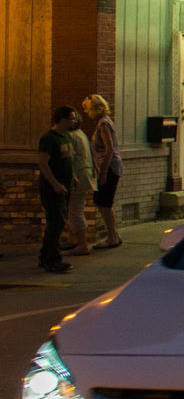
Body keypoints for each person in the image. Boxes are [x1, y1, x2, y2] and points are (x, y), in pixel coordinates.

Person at [36, 106, 80, 273]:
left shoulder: (66, 137)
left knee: (58, 222)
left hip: (65, 186)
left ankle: (45, 255)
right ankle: (52, 259)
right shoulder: (49, 138)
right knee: (56, 223)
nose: (74, 121)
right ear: (62, 120)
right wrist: (54, 183)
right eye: (72, 118)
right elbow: (43, 163)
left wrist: (73, 177)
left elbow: (68, 160)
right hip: (53, 188)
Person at [83, 94, 125, 248]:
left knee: (104, 203)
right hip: (111, 166)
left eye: (87, 109)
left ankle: (112, 237)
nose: (86, 113)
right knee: (104, 203)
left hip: (109, 167)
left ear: (95, 109)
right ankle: (114, 234)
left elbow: (109, 150)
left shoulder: (103, 124)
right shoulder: (105, 122)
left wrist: (103, 173)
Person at [63, 111, 95, 256]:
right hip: (85, 175)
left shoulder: (70, 136)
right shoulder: (81, 134)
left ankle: (82, 244)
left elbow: (69, 159)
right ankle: (74, 239)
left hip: (77, 178)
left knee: (74, 211)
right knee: (76, 209)